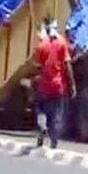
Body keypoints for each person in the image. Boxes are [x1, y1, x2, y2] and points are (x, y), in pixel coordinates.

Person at [33, 15, 76, 149]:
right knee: (57, 113)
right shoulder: (62, 43)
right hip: (58, 85)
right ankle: (54, 140)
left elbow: (36, 66)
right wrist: (72, 85)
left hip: (44, 86)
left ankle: (42, 127)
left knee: (41, 109)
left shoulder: (41, 46)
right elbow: (68, 65)